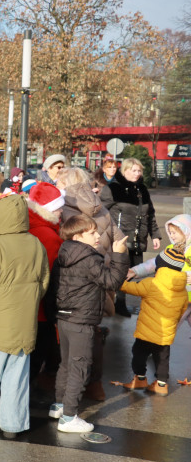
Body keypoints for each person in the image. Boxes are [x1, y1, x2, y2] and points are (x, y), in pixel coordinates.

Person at [0, 193, 49, 436]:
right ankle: (12, 423)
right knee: (17, 375)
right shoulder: (36, 243)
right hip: (26, 322)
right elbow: (44, 282)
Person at [45, 215, 128, 433]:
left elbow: (53, 287)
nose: (97, 235)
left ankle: (60, 406)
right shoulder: (89, 257)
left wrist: (53, 315)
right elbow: (112, 281)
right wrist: (119, 255)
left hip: (64, 318)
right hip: (82, 320)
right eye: (92, 232)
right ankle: (69, 417)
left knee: (66, 364)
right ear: (77, 236)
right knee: (79, 368)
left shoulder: (64, 253)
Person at [117, 247, 189, 396]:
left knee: (138, 354)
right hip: (165, 334)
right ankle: (162, 385)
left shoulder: (151, 284)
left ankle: (140, 379)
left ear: (161, 266)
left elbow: (129, 288)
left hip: (146, 332)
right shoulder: (182, 291)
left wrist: (118, 280)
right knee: (162, 359)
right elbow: (182, 311)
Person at [103, 157, 162, 317]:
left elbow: (150, 214)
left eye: (139, 171)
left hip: (138, 240)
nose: (137, 173)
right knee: (119, 272)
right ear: (125, 171)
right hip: (120, 240)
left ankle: (123, 304)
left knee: (134, 273)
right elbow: (101, 211)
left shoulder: (142, 189)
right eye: (134, 170)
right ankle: (117, 304)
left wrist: (155, 235)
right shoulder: (113, 188)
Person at [25, 183, 65, 396]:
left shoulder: (31, 225)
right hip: (41, 308)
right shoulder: (48, 236)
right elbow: (49, 275)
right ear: (47, 209)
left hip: (28, 304)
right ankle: (27, 396)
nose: (61, 212)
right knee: (37, 352)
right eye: (58, 208)